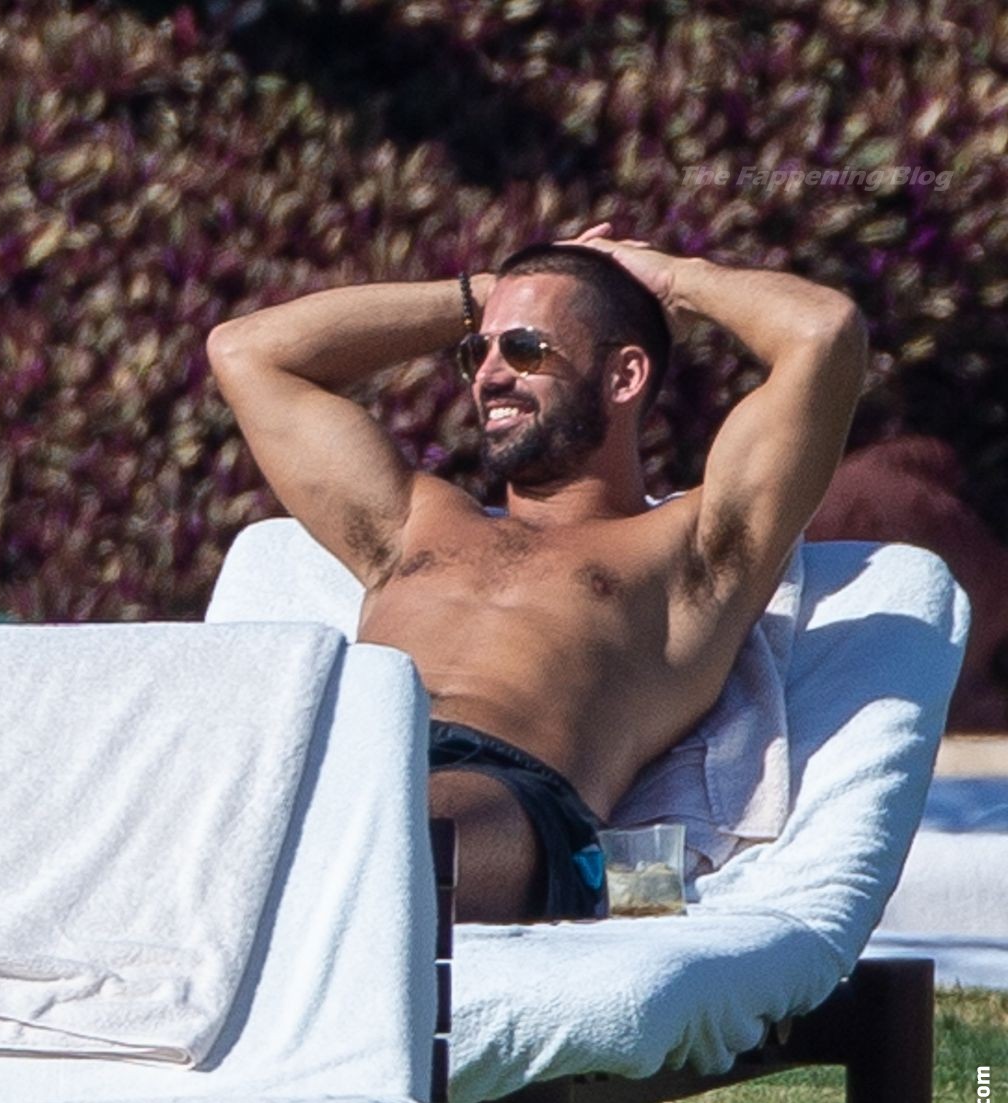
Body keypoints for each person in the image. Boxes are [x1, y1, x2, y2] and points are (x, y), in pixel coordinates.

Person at [207, 225, 867, 922]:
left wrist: (671, 280)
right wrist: (490, 294)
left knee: (386, 843)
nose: (489, 376)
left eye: (524, 350)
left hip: (503, 796)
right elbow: (246, 352)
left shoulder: (692, 552)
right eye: (477, 351)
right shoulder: (414, 521)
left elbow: (823, 332)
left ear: (624, 376)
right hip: (338, 766)